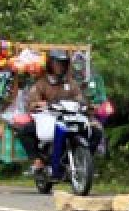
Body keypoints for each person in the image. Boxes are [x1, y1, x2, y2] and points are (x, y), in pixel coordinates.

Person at [14, 49, 88, 180]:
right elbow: (31, 101)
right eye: (56, 63)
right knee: (24, 131)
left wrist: (83, 102)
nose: (60, 66)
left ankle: (83, 162)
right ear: (50, 64)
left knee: (95, 131)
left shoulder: (70, 82)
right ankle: (37, 160)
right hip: (48, 118)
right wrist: (38, 103)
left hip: (69, 117)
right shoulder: (41, 83)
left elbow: (79, 96)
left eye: (62, 63)